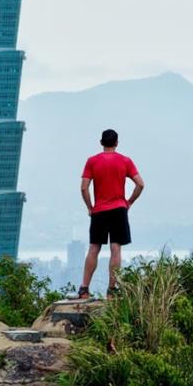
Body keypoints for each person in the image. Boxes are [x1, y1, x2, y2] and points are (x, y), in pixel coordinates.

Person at [77, 128, 145, 299]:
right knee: (116, 249)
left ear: (101, 142)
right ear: (116, 143)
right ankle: (112, 291)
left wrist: (90, 207)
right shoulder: (125, 161)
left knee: (94, 248)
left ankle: (84, 289)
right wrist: (129, 202)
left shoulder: (92, 161)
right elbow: (140, 184)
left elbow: (84, 187)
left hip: (99, 210)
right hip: (119, 209)